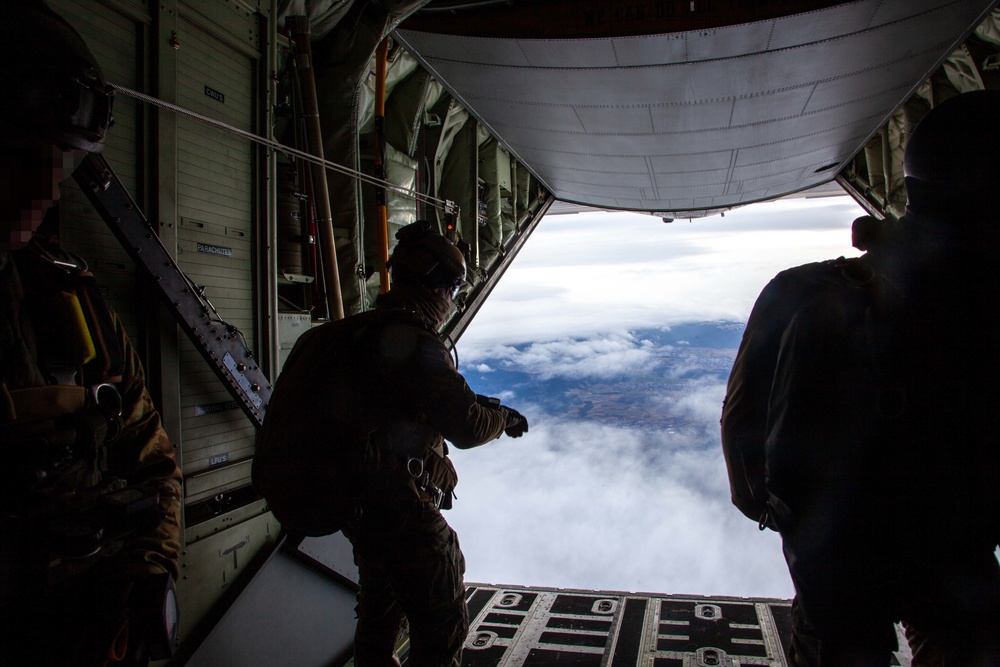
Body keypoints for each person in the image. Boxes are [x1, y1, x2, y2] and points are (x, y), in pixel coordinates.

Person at [721, 90, 1000, 666]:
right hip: (957, 560)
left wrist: (775, 512)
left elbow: (741, 422)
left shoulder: (799, 291)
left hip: (832, 563)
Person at [253, 220, 529, 666]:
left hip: (360, 514)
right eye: (454, 291)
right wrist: (503, 419)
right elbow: (467, 427)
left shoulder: (337, 337)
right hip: (402, 513)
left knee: (379, 623)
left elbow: (385, 397)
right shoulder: (416, 343)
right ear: (438, 287)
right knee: (441, 625)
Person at [1, 2, 182, 665]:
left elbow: (156, 465)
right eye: (22, 153)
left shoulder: (64, 299)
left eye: (63, 160)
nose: (48, 184)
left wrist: (147, 579)